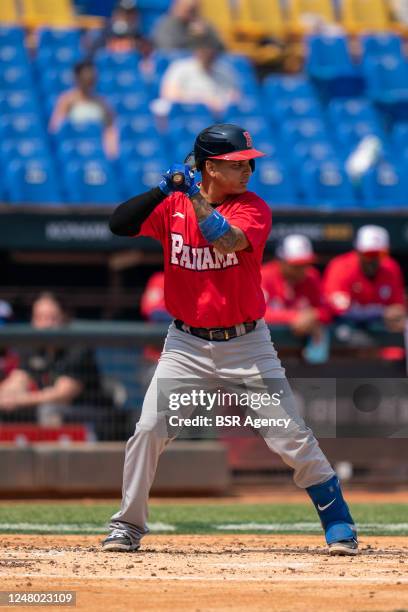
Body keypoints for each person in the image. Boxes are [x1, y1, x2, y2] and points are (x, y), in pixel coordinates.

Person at [102, 123, 358, 556]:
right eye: (236, 165)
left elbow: (226, 240)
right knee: (148, 429)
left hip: (246, 344)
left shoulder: (252, 207)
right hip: (185, 345)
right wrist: (159, 192)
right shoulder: (174, 206)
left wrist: (194, 195)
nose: (247, 172)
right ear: (208, 167)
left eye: (247, 164)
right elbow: (118, 226)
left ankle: (338, 521)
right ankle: (127, 524)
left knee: (288, 435)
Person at [0, 293, 115, 439]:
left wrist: (19, 400)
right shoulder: (33, 348)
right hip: (52, 410)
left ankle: (56, 461)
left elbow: (62, 395)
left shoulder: (78, 347)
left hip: (92, 417)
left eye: (52, 318)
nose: (46, 324)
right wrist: (5, 396)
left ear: (65, 319)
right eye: (40, 318)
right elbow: (18, 380)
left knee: (49, 411)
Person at [323, 225, 406, 333]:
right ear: (358, 252)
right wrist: (381, 312)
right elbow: (341, 311)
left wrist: (397, 316)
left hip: (379, 326)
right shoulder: (340, 267)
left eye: (380, 254)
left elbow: (397, 306)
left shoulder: (391, 268)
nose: (374, 259)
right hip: (344, 327)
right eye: (369, 254)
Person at [262, 234, 331, 336]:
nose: (302, 270)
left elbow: (327, 310)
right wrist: (295, 316)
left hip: (300, 340)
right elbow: (257, 314)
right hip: (269, 340)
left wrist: (314, 315)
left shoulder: (311, 277)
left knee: (320, 330)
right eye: (296, 265)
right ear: (281, 261)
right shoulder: (264, 276)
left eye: (306, 264)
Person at [49, 61, 119, 159]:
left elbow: (111, 128)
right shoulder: (67, 100)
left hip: (97, 152)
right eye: (86, 76)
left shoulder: (102, 103)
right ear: (77, 77)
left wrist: (111, 152)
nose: (89, 80)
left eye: (92, 77)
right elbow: (56, 127)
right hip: (75, 151)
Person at [160, 33, 240, 114]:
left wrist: (219, 104)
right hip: (188, 116)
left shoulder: (225, 70)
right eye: (203, 48)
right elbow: (169, 95)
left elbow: (234, 96)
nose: (208, 52)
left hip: (219, 117)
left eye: (210, 48)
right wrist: (202, 102)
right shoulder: (180, 67)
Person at [87, 0, 152, 58]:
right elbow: (92, 58)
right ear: (116, 13)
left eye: (130, 13)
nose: (127, 17)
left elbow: (147, 58)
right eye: (124, 13)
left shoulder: (138, 36)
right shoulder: (104, 34)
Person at [152, 0, 224, 52]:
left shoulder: (205, 26)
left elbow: (220, 49)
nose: (192, 14)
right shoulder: (165, 25)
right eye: (189, 10)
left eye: (194, 10)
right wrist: (195, 38)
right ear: (176, 8)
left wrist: (205, 36)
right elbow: (169, 51)